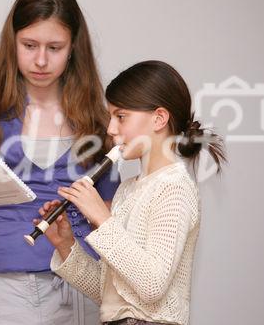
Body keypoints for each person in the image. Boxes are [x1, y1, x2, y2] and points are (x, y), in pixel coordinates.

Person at [0, 0, 120, 324]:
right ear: (13, 44)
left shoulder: (97, 120)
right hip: (8, 291)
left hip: (87, 285)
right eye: (29, 45)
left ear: (73, 49)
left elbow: (110, 221)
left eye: (54, 47)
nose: (40, 60)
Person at [39, 60, 227, 325]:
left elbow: (151, 285)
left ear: (159, 118)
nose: (111, 129)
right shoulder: (127, 190)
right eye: (111, 117)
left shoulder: (174, 187)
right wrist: (65, 244)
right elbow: (114, 295)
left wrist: (103, 220)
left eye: (121, 116)